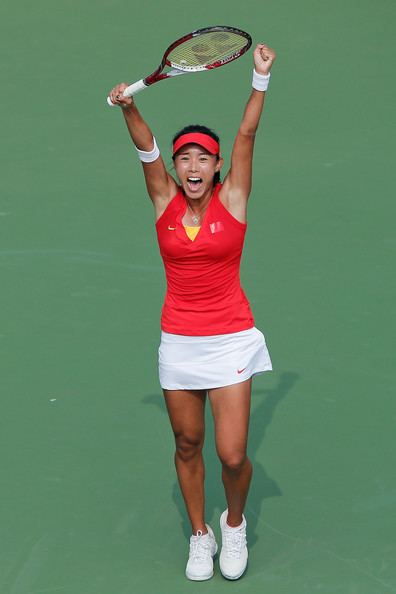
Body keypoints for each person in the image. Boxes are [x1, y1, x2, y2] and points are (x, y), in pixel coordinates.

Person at [109, 42, 276, 581]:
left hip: (229, 337)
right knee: (187, 442)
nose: (193, 164)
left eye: (204, 156)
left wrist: (259, 78)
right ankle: (200, 536)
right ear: (177, 167)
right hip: (179, 340)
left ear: (218, 164)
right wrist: (130, 107)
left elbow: (247, 134)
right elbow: (147, 153)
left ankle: (233, 524)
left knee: (231, 455)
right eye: (185, 157)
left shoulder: (235, 199)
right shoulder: (163, 200)